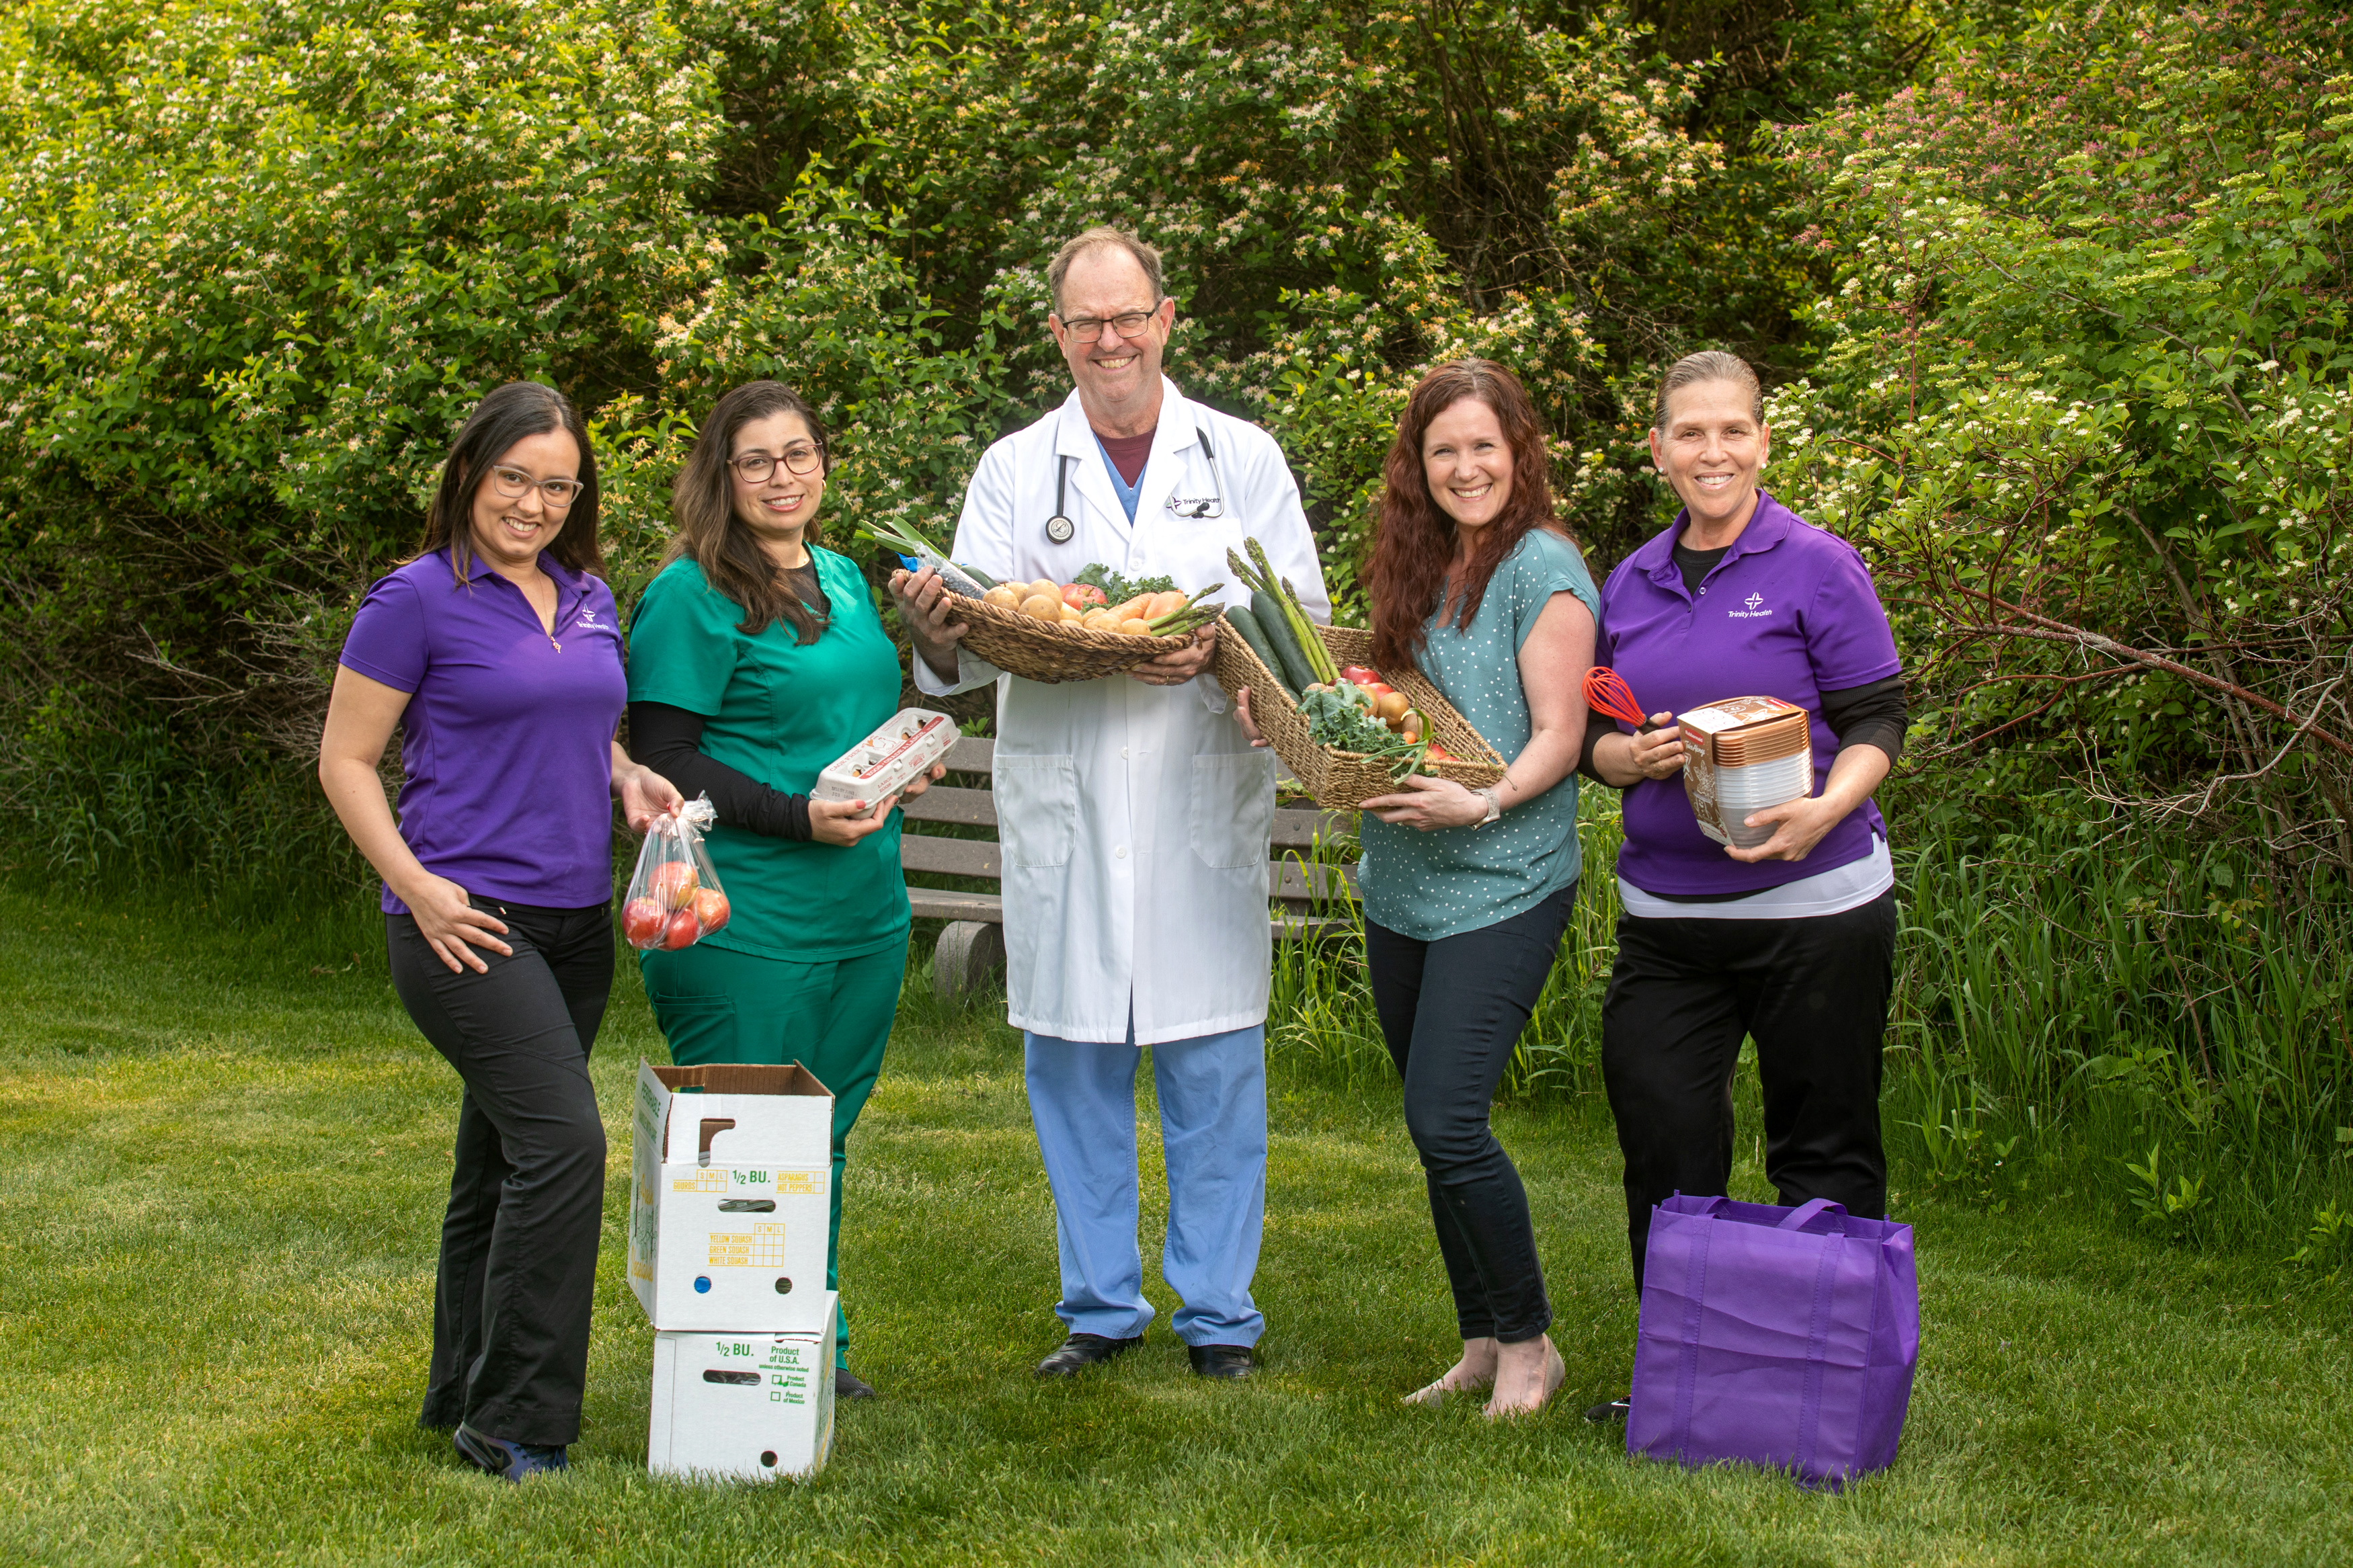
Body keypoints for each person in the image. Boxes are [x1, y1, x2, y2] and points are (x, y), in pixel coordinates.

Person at [890, 226, 1329, 1381]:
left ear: (1166, 318)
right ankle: (1097, 1307)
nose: (1110, 340)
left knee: (1212, 1065)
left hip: (1198, 801)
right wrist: (936, 630)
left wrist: (1223, 652)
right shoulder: (1016, 467)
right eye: (1086, 322)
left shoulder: (1240, 457)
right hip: (1067, 803)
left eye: (1128, 315)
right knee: (1075, 1063)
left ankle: (1220, 1316)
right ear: (1058, 335)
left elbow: (1305, 633)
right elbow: (979, 641)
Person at [319, 381, 682, 1482]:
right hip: (466, 923)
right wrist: (417, 885)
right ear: (471, 474)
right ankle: (515, 1417)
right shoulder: (415, 598)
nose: (532, 502)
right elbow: (345, 760)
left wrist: (626, 776)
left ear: (579, 497)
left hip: (577, 923)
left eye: (556, 484)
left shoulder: (588, 595)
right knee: (565, 1145)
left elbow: (582, 725)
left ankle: (456, 1388)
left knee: (502, 1157)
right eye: (514, 478)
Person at [1237, 360, 1597, 1417]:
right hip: (1401, 882)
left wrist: (1480, 805)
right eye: (1445, 450)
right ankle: (1482, 1338)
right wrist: (1292, 715)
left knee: (1448, 1119)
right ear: (1419, 465)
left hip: (1504, 876)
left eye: (1485, 446)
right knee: (1429, 1118)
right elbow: (1380, 707)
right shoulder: (1420, 561)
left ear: (1518, 450)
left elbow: (1561, 739)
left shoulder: (1544, 566)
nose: (1466, 466)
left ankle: (1533, 1344)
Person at [1581, 350, 1907, 1421]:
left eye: (1733, 431)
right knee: (1668, 1148)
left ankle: (1825, 1388)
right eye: (1690, 433)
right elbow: (1599, 737)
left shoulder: (1816, 563)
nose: (1711, 451)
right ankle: (1686, 1382)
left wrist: (1826, 805)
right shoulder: (1627, 581)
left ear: (1763, 441)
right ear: (1659, 449)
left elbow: (1876, 720)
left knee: (1822, 1148)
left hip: (1819, 911)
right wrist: (1621, 759)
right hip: (1668, 925)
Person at [623, 380, 945, 1403]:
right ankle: (730, 1359)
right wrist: (799, 815)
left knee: (824, 1135)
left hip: (863, 908)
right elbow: (668, 756)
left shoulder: (846, 576)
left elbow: (851, 727)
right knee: (745, 1144)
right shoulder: (692, 592)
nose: (781, 476)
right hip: (746, 912)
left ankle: (812, 1336)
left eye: (798, 454)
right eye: (756, 459)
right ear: (721, 475)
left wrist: (901, 764)